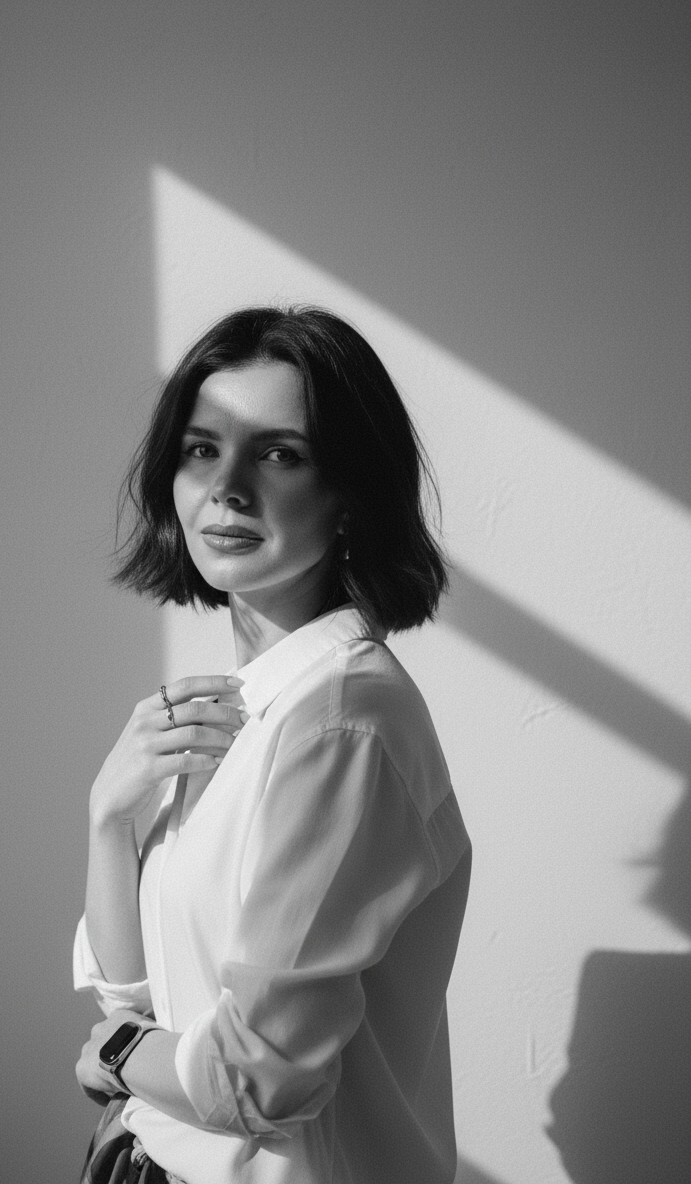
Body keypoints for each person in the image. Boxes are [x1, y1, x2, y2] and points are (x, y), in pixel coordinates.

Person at [74, 307, 471, 1184]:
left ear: (349, 493)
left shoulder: (339, 724)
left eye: (279, 453)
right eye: (202, 448)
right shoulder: (240, 710)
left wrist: (111, 1059)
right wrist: (109, 819)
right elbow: (134, 1003)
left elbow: (255, 1083)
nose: (228, 488)